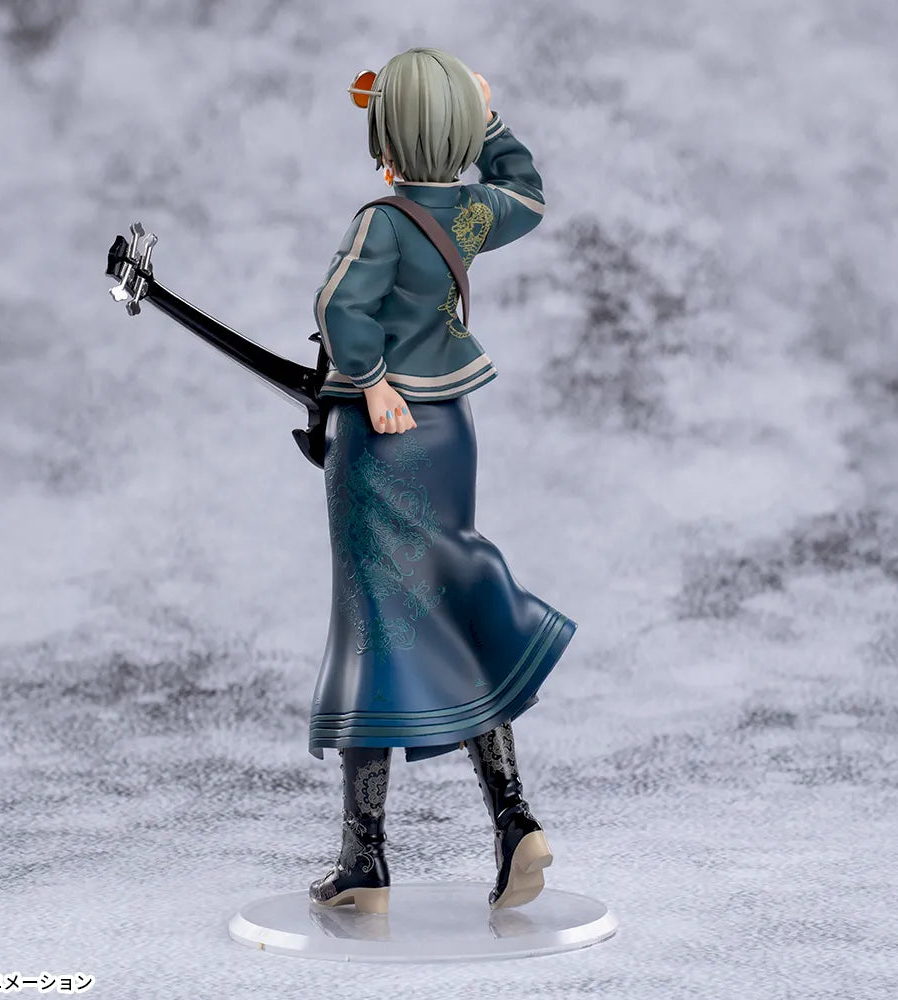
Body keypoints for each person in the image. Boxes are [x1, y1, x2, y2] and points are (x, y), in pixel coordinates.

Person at [307, 47, 577, 915]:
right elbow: (527, 190)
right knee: (449, 615)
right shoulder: (468, 215)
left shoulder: (381, 221)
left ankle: (365, 861)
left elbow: (338, 306)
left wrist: (369, 380)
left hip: (383, 440)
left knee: (372, 631)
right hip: (449, 433)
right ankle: (514, 817)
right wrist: (489, 119)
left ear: (389, 137)